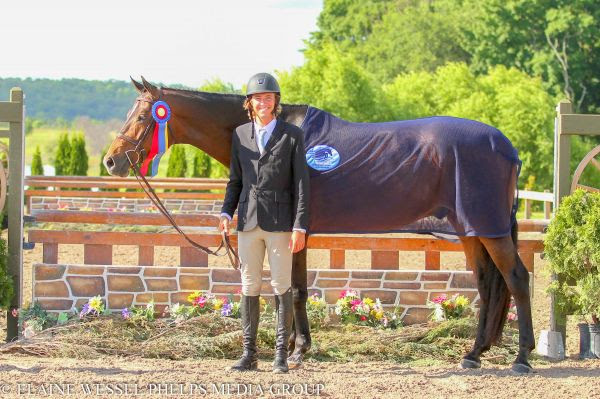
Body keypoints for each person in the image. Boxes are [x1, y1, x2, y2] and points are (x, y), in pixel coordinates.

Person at [219, 72, 310, 373]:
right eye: (258, 98)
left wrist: (300, 226)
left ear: (275, 102)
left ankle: (281, 355)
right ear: (249, 103)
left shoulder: (292, 135)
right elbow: (235, 180)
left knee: (281, 285)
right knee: (249, 285)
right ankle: (249, 354)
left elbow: (301, 185)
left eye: (268, 97)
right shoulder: (240, 134)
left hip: (281, 221)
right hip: (247, 220)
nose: (263, 102)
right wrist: (225, 213)